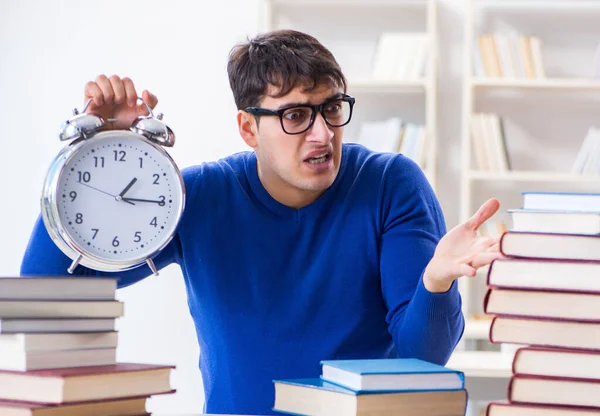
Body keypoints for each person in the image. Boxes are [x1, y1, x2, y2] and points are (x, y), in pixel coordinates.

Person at [21, 29, 503, 415]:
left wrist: (437, 282)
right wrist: (88, 153)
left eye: (332, 108)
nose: (322, 134)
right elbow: (45, 295)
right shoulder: (197, 196)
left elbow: (422, 359)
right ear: (248, 128)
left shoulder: (391, 183)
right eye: (295, 114)